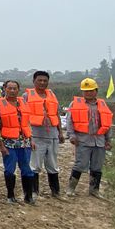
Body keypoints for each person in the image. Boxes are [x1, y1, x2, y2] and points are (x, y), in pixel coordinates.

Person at [65, 78, 113, 199]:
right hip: (83, 140)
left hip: (99, 141)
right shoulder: (75, 104)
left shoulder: (102, 104)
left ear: (96, 91)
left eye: (91, 90)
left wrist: (108, 140)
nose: (89, 93)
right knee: (80, 164)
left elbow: (107, 124)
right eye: (86, 91)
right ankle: (71, 188)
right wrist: (72, 136)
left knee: (97, 167)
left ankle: (94, 190)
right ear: (82, 92)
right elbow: (69, 122)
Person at [23, 71, 66, 200]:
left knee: (53, 164)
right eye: (39, 80)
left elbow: (56, 115)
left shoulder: (52, 95)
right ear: (34, 81)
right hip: (35, 136)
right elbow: (23, 116)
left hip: (52, 136)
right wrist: (27, 136)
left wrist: (60, 132)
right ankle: (34, 192)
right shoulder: (26, 96)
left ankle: (56, 191)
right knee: (35, 165)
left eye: (45, 81)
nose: (42, 83)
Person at [0, 80, 36, 205]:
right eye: (9, 88)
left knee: (27, 169)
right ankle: (10, 196)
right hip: (9, 143)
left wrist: (31, 139)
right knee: (9, 170)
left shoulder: (23, 103)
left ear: (18, 90)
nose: (12, 91)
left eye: (15, 88)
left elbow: (27, 123)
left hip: (25, 143)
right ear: (4, 89)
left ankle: (28, 196)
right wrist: (1, 145)